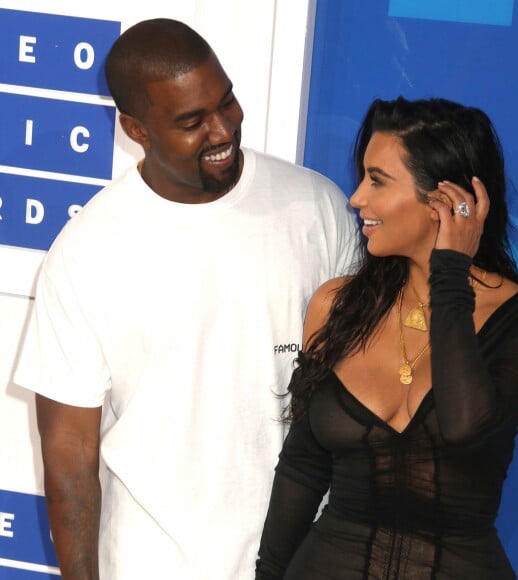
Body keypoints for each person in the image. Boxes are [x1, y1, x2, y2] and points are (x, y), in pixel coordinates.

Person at [13, 18, 360, 580]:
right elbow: (69, 455)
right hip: (152, 563)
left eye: (226, 103)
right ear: (135, 129)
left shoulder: (317, 209)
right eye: (191, 121)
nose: (222, 130)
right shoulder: (87, 252)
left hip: (307, 559)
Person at [255, 96, 518, 579]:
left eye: (377, 181)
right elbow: (302, 468)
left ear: (446, 201)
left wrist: (450, 272)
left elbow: (464, 424)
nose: (356, 198)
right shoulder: (336, 306)